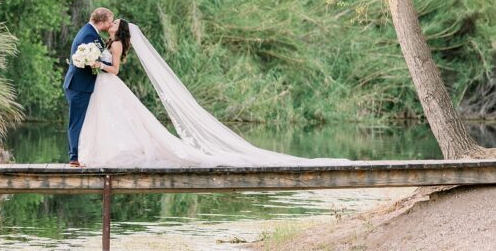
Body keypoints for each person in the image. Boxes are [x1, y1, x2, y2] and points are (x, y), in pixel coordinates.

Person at [77, 19, 347, 168]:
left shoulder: (118, 45)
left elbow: (115, 70)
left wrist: (98, 63)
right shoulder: (110, 41)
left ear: (119, 30)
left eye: (114, 23)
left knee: (122, 119)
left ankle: (107, 155)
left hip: (109, 82)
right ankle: (103, 154)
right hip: (103, 87)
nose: (111, 24)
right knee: (114, 121)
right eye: (110, 22)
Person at [64, 8, 114, 166]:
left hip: (82, 85)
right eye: (109, 21)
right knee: (77, 121)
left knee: (83, 121)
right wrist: (107, 65)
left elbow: (97, 58)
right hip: (78, 85)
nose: (111, 24)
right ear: (101, 21)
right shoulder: (88, 34)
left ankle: (81, 155)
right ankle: (74, 157)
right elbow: (91, 60)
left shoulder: (90, 32)